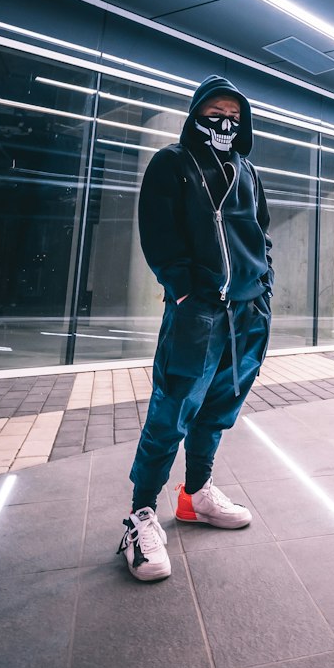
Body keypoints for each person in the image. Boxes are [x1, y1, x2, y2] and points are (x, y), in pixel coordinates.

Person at [118, 75, 274, 581]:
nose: (225, 124)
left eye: (234, 117)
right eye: (214, 116)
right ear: (195, 117)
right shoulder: (172, 164)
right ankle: (140, 516)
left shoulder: (248, 172)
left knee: (218, 410)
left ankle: (195, 496)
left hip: (248, 315)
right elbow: (157, 234)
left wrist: (263, 287)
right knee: (171, 411)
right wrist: (184, 292)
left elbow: (259, 233)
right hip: (197, 314)